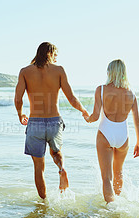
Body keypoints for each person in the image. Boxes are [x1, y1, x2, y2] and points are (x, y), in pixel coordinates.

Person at [14, 42, 89, 199]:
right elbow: (72, 98)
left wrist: (20, 114)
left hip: (35, 123)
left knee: (38, 167)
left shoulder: (25, 72)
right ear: (50, 53)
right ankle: (61, 168)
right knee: (56, 152)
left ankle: (44, 203)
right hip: (54, 122)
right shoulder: (59, 70)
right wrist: (83, 110)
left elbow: (18, 99)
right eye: (55, 55)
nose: (56, 58)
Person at [84, 59, 139, 203]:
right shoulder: (131, 94)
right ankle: (117, 206)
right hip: (123, 136)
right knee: (118, 173)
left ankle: (111, 209)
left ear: (110, 72)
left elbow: (95, 116)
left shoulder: (101, 89)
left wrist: (87, 118)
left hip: (106, 133)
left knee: (106, 177)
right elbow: (137, 121)